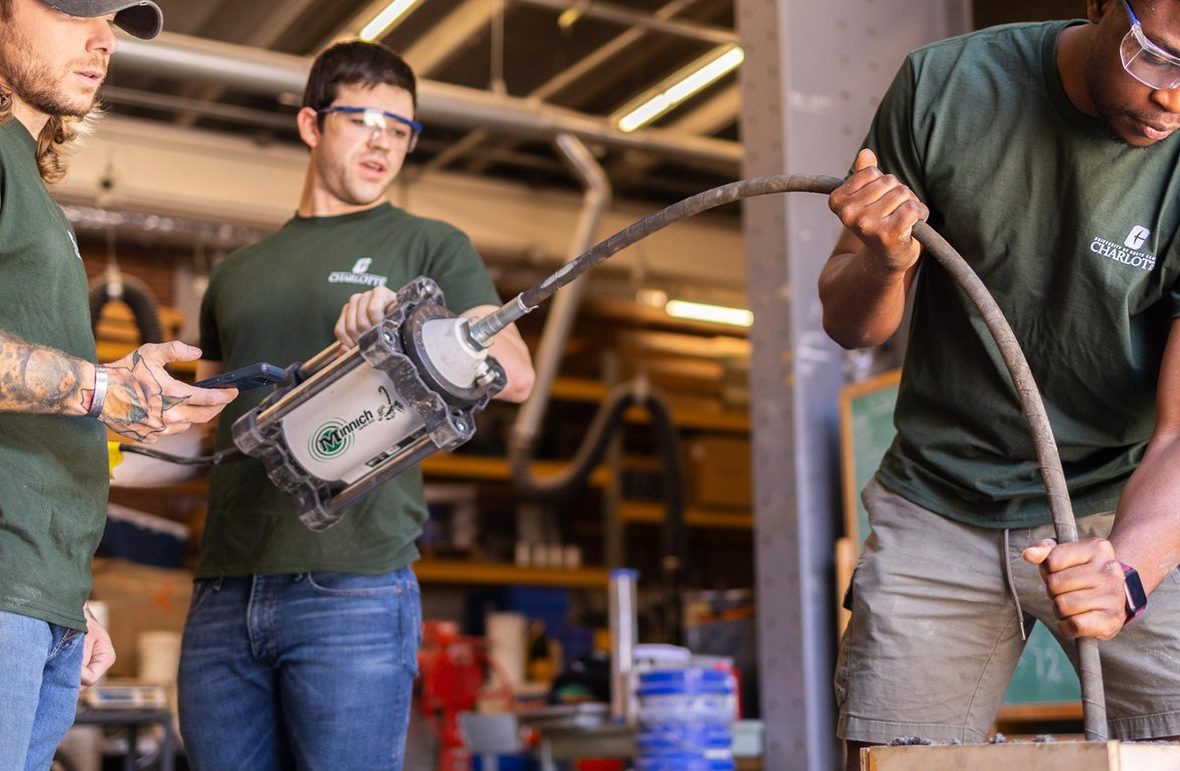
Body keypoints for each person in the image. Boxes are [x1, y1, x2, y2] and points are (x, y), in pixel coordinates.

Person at [820, 1, 1180, 767]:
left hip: (1126, 501)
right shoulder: (947, 86)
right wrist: (885, 263)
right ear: (1096, 5)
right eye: (1156, 55)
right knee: (891, 758)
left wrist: (1129, 571)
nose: (1173, 97)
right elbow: (851, 324)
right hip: (939, 501)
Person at [177, 40, 535, 769]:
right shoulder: (236, 274)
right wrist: (95, 446)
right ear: (311, 124)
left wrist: (411, 323)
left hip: (351, 586)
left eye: (401, 128)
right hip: (224, 588)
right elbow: (195, 433)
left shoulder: (429, 246)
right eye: (364, 120)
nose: (383, 142)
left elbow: (515, 371)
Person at [0, 1, 237, 768]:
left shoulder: (27, 184)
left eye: (111, 20)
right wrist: (103, 389)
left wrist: (65, 599)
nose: (102, 39)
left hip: (37, 601)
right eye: (73, 10)